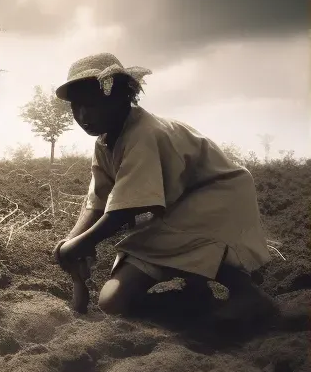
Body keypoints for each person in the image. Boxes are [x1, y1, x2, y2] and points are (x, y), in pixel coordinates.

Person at [52, 52, 275, 319]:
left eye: (91, 104)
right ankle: (195, 301)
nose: (83, 115)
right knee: (113, 301)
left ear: (121, 97)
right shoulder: (105, 142)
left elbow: (124, 209)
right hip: (177, 208)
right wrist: (72, 241)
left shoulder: (144, 134)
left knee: (201, 245)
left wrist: (81, 245)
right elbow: (97, 202)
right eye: (76, 106)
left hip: (219, 199)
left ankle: (246, 293)